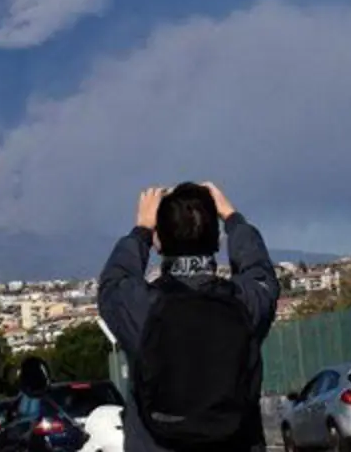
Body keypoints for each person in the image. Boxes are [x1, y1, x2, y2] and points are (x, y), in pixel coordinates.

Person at [98, 182, 281, 452]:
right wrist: (232, 218)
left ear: (159, 242)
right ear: (218, 241)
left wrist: (141, 231)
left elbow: (114, 282)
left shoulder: (142, 309)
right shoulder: (245, 304)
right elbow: (260, 272)